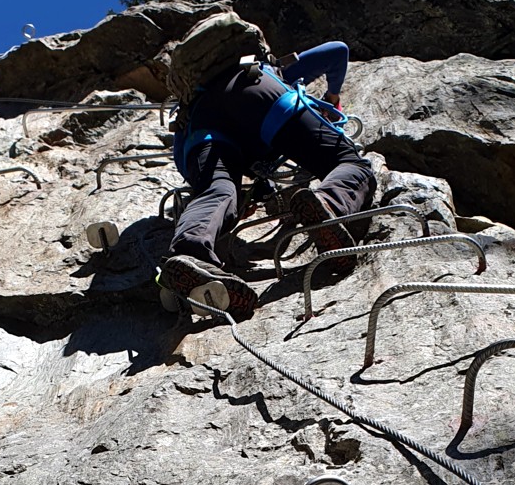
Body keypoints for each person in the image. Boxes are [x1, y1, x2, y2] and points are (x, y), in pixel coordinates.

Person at [158, 43, 373, 318]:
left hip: (204, 121)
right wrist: (332, 98)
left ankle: (189, 253)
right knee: (349, 162)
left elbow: (185, 164)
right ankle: (329, 203)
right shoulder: (268, 66)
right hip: (259, 91)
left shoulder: (191, 102)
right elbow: (337, 51)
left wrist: (230, 195)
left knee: (216, 191)